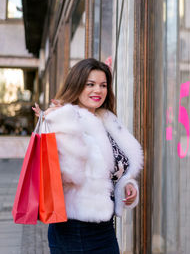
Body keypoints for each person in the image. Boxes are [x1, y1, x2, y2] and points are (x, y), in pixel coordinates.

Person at [32, 58, 143, 254]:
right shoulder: (64, 121)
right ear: (76, 86)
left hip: (105, 228)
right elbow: (69, 175)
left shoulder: (107, 120)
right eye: (90, 84)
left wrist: (127, 186)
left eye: (103, 85)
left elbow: (114, 169)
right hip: (74, 228)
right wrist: (66, 121)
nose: (97, 91)